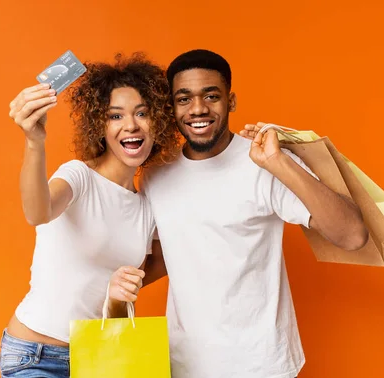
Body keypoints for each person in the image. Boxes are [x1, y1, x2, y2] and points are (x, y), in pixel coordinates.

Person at [141, 49, 369, 378]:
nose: (198, 109)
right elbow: (168, 254)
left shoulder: (262, 162)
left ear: (230, 102)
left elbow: (352, 235)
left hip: (261, 365)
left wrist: (280, 164)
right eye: (184, 98)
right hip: (184, 365)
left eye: (211, 96)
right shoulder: (156, 174)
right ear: (170, 106)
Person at [0, 52, 180, 378]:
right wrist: (34, 142)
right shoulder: (79, 176)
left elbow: (157, 264)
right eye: (116, 116)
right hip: (36, 356)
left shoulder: (147, 205)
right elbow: (38, 212)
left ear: (159, 123)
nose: (131, 125)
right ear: (100, 125)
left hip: (98, 361)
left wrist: (116, 292)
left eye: (142, 113)